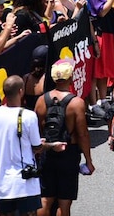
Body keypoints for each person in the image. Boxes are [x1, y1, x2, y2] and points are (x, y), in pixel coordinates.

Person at [0, 75, 67, 216]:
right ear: (21, 91)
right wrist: (53, 145)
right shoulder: (28, 115)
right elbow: (37, 147)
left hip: (1, 183)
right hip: (25, 183)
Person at [34, 58, 94, 216]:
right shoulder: (77, 103)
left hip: (47, 151)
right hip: (69, 153)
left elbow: (37, 129)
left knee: (45, 199)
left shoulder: (41, 100)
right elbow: (82, 134)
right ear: (70, 78)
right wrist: (88, 160)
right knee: (64, 201)